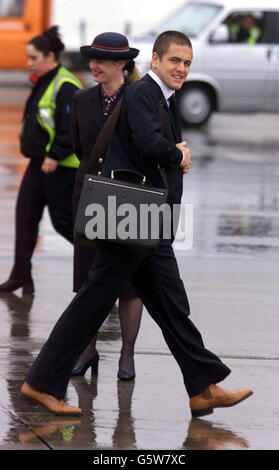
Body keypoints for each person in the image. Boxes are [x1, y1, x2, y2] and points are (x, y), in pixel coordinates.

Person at [20, 30, 252, 417]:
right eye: (175, 60)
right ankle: (41, 382)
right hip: (132, 219)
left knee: (171, 304)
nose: (181, 68)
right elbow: (147, 143)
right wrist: (177, 156)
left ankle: (203, 387)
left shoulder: (163, 96)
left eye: (188, 63)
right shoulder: (144, 92)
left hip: (149, 220)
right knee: (94, 300)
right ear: (156, 61)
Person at [70, 32, 143, 380]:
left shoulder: (140, 99)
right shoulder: (81, 100)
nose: (93, 65)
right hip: (89, 198)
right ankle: (87, 351)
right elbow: (80, 150)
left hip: (129, 199)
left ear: (121, 64)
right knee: (87, 282)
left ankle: (127, 355)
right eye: (92, 58)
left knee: (129, 284)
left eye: (101, 59)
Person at [0, 26, 83, 295]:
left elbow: (71, 128)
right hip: (39, 164)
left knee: (64, 223)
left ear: (50, 56)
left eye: (34, 57)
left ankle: (103, 269)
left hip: (59, 167)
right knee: (25, 217)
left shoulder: (66, 84)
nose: (29, 63)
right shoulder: (44, 79)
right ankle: (21, 275)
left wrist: (55, 155)